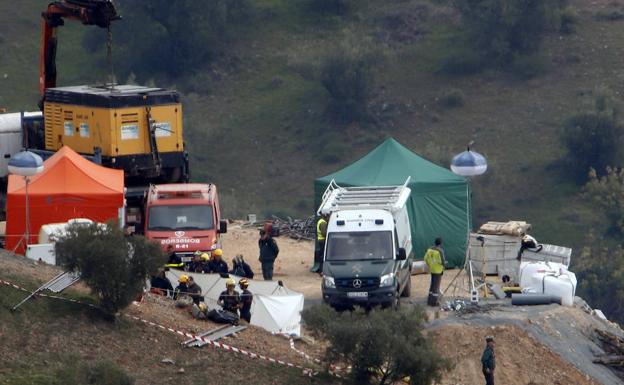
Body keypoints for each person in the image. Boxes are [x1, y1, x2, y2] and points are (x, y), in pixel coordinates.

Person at [424, 237, 446, 306]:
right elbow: (443, 261)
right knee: (436, 287)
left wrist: (430, 265)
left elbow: (425, 258)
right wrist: (444, 265)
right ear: (441, 243)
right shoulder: (440, 251)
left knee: (432, 286)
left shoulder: (430, 249)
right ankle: (434, 302)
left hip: (432, 270)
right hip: (438, 271)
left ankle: (429, 301)